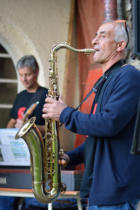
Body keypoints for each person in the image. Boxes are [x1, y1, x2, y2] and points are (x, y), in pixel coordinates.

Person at [42, 20, 140, 210]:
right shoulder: (106, 81)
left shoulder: (128, 76)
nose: (94, 41)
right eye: (95, 35)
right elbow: (97, 137)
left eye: (103, 36)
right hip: (100, 193)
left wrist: (64, 113)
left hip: (117, 194)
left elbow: (109, 124)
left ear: (120, 45)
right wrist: (72, 157)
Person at [0, 55, 48, 210]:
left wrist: (30, 127)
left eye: (27, 74)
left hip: (37, 158)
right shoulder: (20, 96)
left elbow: (52, 128)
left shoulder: (45, 95)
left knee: (32, 201)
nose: (24, 79)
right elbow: (11, 121)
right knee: (6, 198)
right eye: (20, 75)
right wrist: (14, 124)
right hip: (17, 155)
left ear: (36, 72)